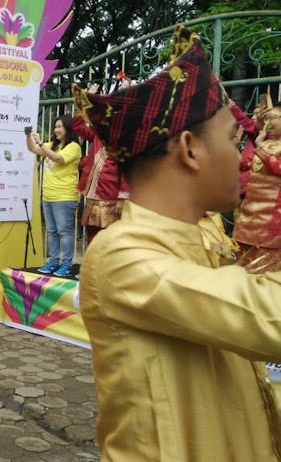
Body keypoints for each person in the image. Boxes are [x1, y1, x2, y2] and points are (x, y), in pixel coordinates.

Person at [74, 25, 281, 460]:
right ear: (189, 150)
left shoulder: (206, 233)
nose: (246, 157)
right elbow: (265, 315)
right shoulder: (120, 256)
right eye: (235, 140)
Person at [26, 115, 82, 277]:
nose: (56, 130)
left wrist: (42, 143)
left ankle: (65, 264)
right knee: (52, 231)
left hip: (64, 196)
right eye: (55, 127)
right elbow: (33, 149)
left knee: (64, 231)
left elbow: (58, 159)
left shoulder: (74, 147)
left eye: (60, 127)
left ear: (68, 129)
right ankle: (52, 262)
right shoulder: (54, 145)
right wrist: (28, 137)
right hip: (48, 196)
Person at [74, 83, 129, 245]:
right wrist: (84, 100)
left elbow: (127, 167)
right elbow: (77, 125)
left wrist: (122, 197)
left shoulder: (124, 136)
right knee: (91, 239)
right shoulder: (98, 132)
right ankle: (91, 269)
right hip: (93, 196)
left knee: (110, 241)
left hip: (111, 197)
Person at [233, 95, 281, 273]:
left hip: (272, 219)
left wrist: (259, 146)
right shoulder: (264, 143)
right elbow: (245, 165)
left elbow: (278, 168)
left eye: (272, 118)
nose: (267, 123)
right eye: (266, 119)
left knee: (266, 271)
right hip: (249, 215)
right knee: (243, 265)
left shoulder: (263, 145)